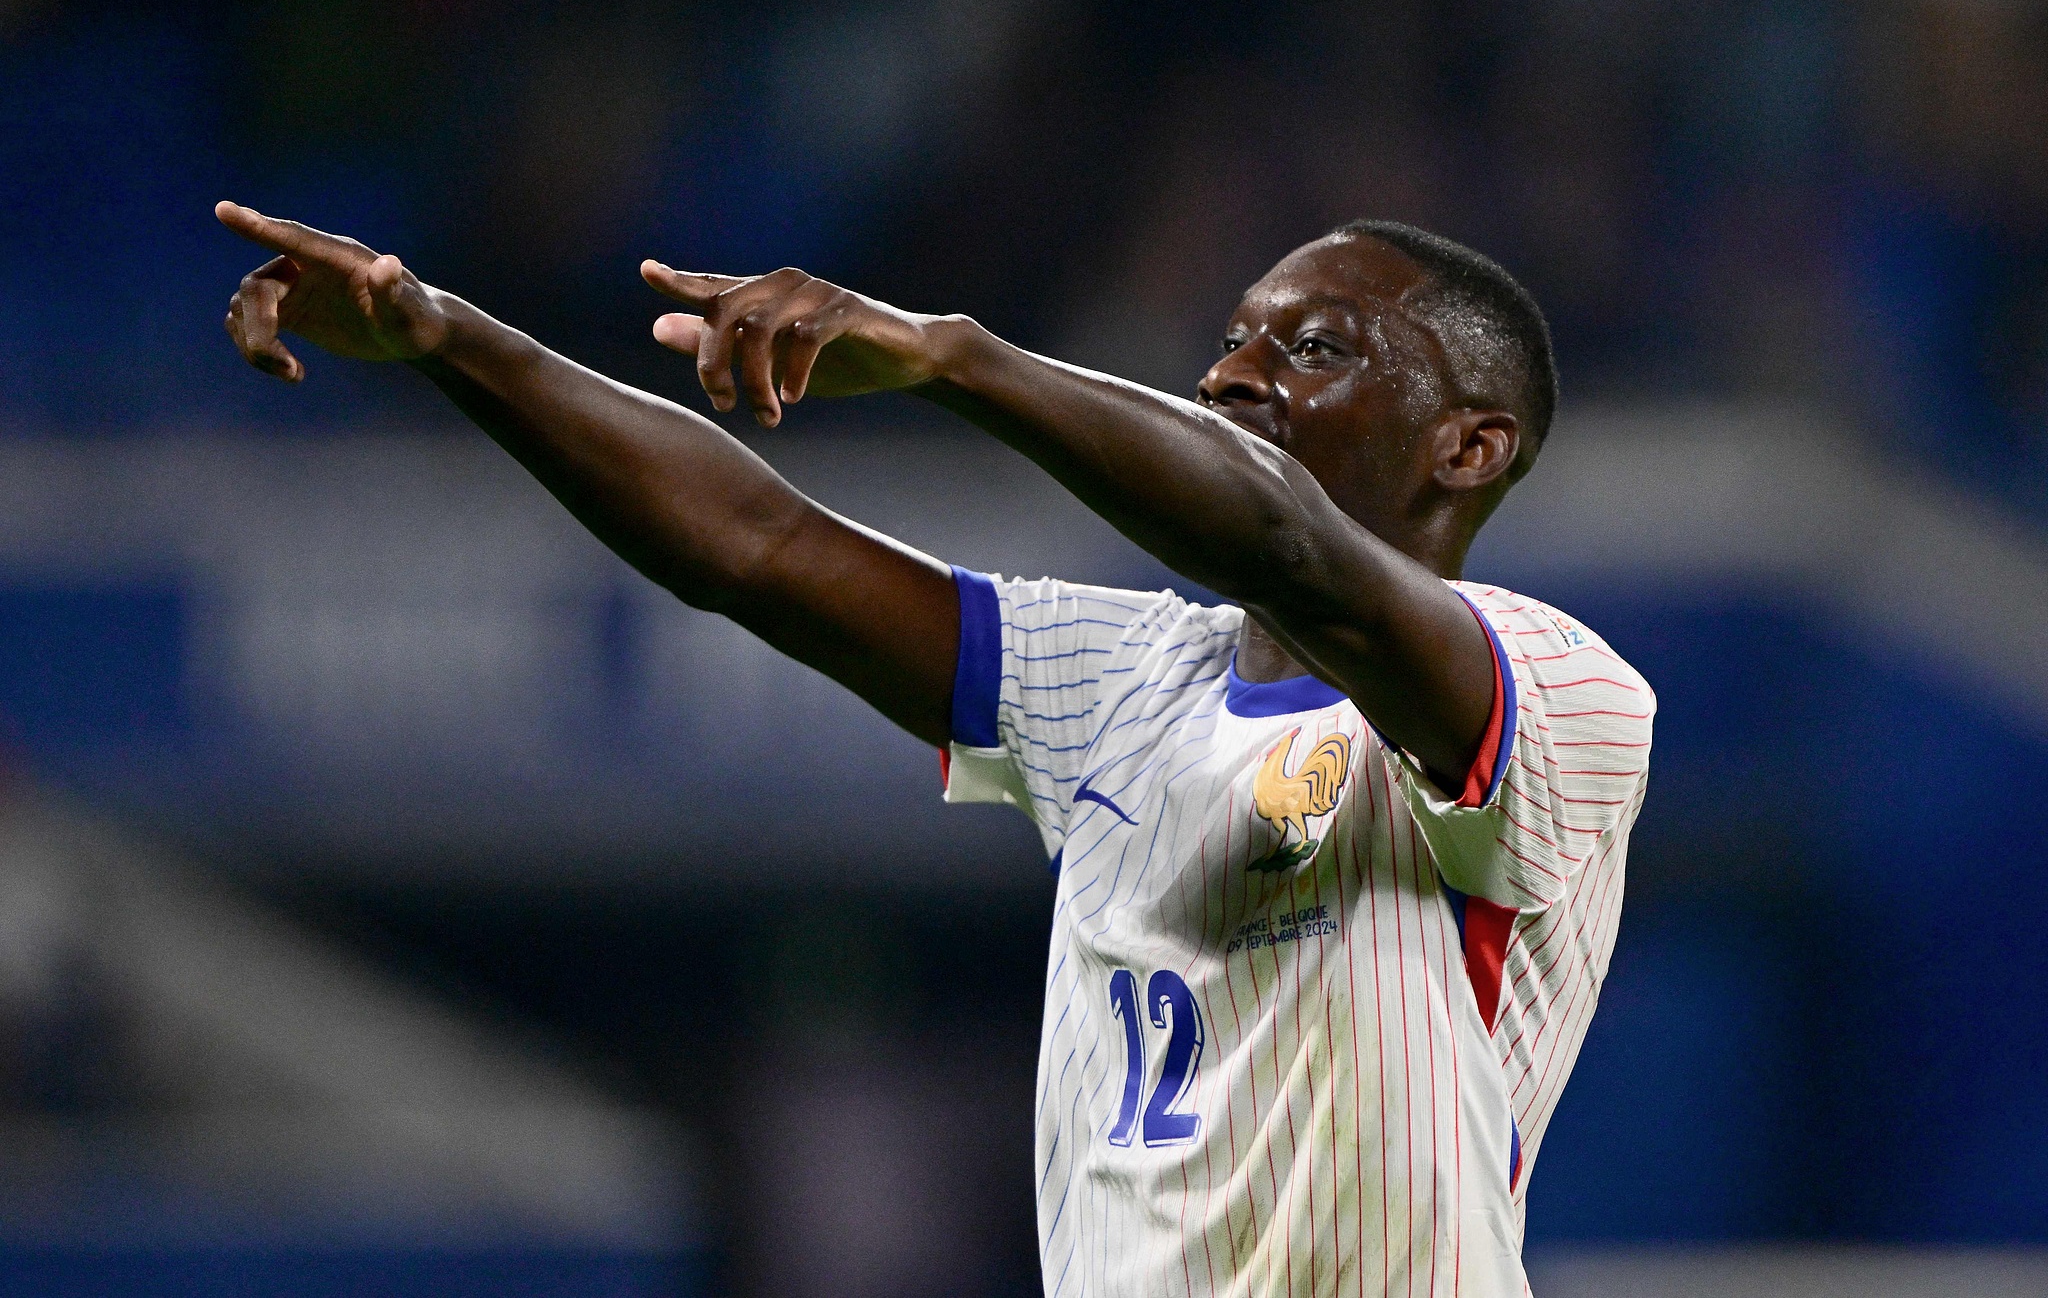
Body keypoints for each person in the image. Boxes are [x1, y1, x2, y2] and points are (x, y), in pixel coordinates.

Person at [216, 200, 1654, 1297]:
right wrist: (451, 339)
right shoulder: (1120, 681)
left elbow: (1283, 533)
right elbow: (759, 544)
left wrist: (945, 357)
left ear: (1468, 448)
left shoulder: (1563, 695)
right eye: (1234, 336)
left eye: (1318, 347)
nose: (1233, 374)